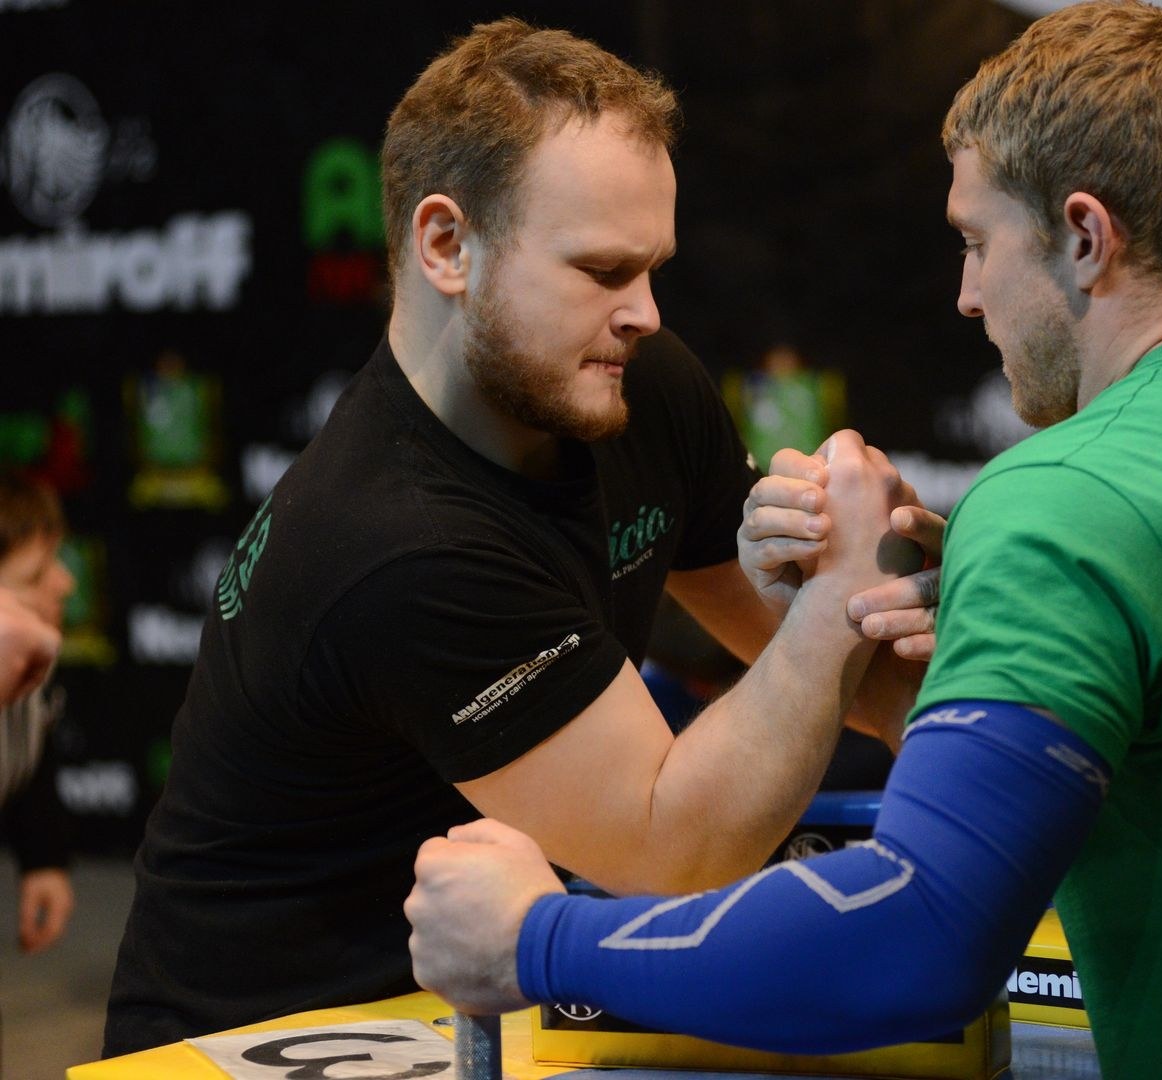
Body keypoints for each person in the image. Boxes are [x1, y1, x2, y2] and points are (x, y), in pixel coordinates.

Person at [403, 4, 1162, 1076]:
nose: (967, 296)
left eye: (978, 243)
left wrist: (539, 938)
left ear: (1086, 237)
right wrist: (949, 582)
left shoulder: (1070, 497)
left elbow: (916, 937)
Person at [103, 19, 929, 1055]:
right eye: (601, 269)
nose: (645, 312)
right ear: (447, 246)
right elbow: (672, 847)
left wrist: (883, 603)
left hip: (466, 1001)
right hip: (263, 1037)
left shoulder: (634, 383)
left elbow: (793, 646)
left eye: (653, 267)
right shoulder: (396, 542)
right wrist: (834, 598)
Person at [0, 471, 77, 955]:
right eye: (36, 575)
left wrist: (42, 858)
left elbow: (32, 751)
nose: (65, 582)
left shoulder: (28, 652)